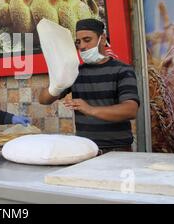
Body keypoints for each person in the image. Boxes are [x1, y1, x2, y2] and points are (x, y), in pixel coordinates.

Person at [39, 18, 140, 154]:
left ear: (102, 39)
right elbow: (43, 100)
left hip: (118, 149)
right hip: (85, 149)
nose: (82, 46)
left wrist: (90, 109)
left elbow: (130, 110)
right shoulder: (75, 72)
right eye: (78, 42)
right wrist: (56, 85)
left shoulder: (122, 70)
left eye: (87, 40)